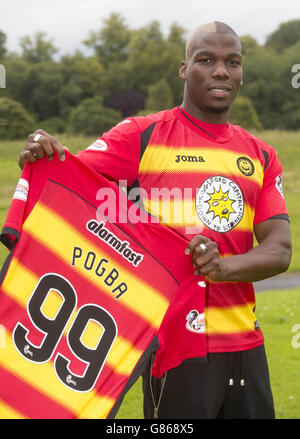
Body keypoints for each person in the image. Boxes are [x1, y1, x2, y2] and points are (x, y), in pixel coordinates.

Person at [18, 21, 292, 419]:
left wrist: (222, 267)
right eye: (206, 60)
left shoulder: (261, 155)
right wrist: (43, 155)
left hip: (247, 349)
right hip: (174, 350)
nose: (221, 71)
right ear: (184, 69)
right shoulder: (142, 136)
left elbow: (280, 249)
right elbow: (66, 183)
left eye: (232, 62)